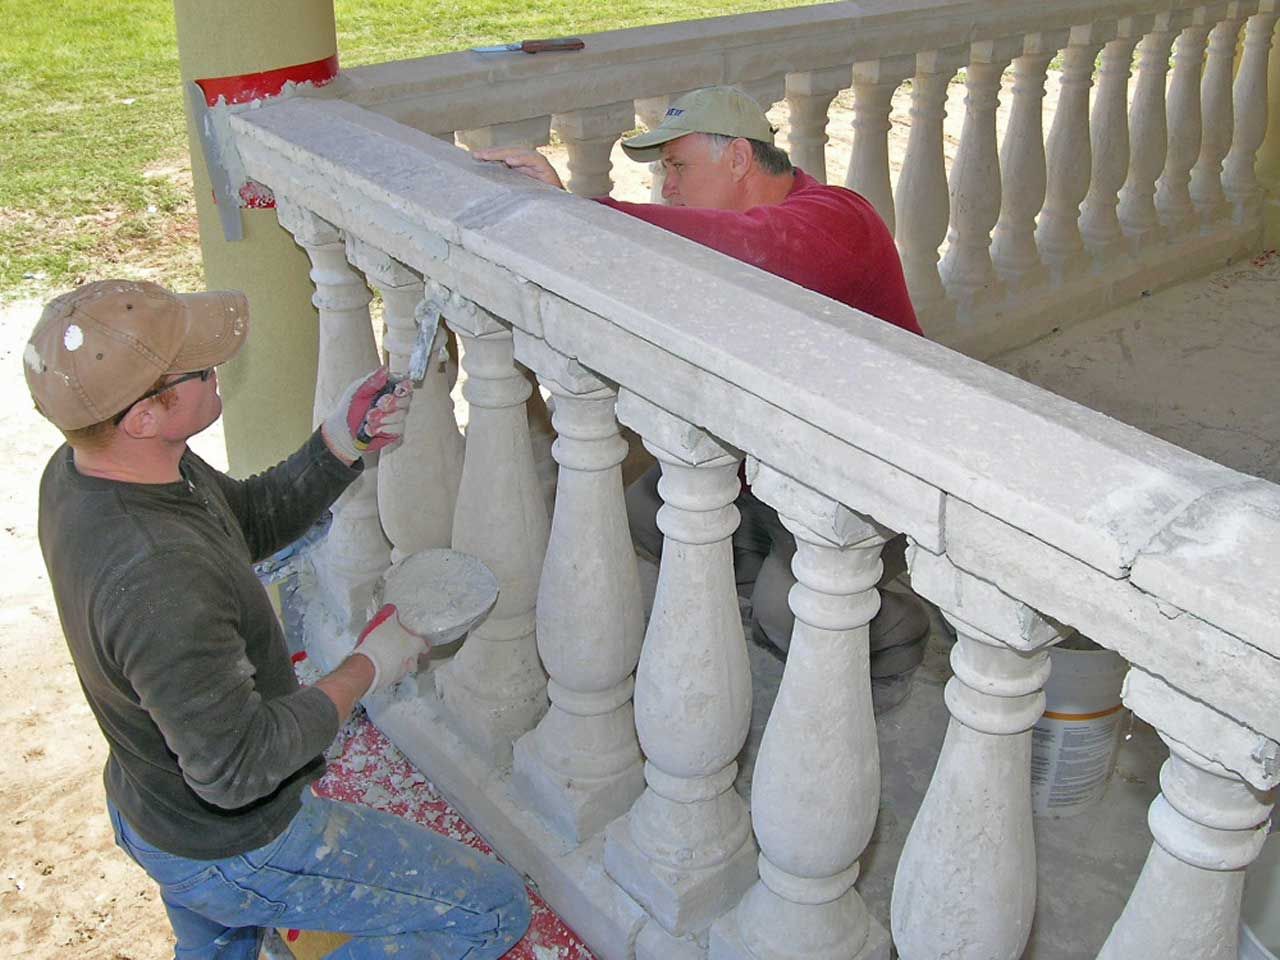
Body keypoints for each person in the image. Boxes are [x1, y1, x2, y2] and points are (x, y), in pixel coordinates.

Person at [26, 280, 531, 960]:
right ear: (145, 415)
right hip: (234, 848)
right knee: (492, 912)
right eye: (200, 368)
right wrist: (373, 663)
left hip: (154, 808)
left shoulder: (94, 469)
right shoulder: (157, 577)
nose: (218, 369)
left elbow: (245, 521)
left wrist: (339, 443)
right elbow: (239, 767)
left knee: (220, 945)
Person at [474, 86, 931, 710]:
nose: (667, 187)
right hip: (778, 457)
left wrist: (579, 210)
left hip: (867, 477)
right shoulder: (724, 234)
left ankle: (891, 635)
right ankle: (774, 576)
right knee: (646, 512)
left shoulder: (836, 216)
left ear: (740, 158)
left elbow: (757, 248)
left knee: (788, 609)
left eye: (678, 167)